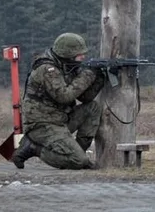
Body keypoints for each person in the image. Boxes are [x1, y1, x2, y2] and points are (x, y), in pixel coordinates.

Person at [10, 33, 106, 170]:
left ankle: (78, 154)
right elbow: (64, 96)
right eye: (80, 54)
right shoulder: (47, 69)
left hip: (60, 120)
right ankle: (33, 147)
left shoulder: (67, 65)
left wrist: (100, 76)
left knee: (93, 108)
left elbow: (85, 98)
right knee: (78, 161)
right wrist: (88, 74)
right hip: (41, 124)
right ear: (68, 53)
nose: (83, 57)